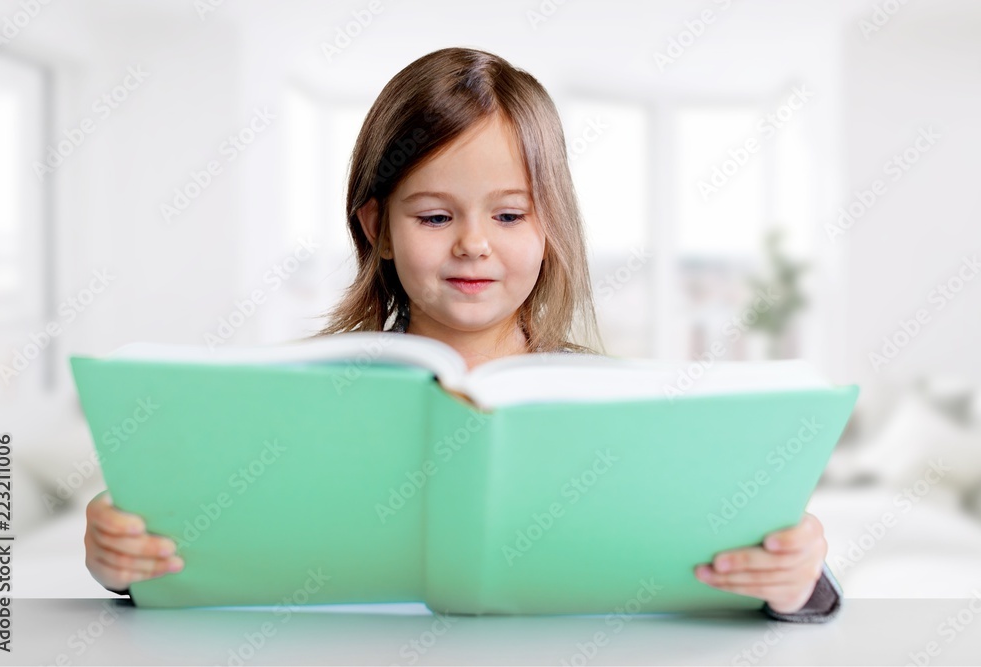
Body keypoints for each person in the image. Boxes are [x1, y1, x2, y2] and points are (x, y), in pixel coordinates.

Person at [85, 46, 842, 622]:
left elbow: (750, 574)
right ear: (377, 227)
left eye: (510, 215)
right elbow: (198, 551)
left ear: (550, 227)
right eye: (436, 215)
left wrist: (795, 580)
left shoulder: (620, 403)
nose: (475, 244)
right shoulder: (295, 394)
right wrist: (119, 560)